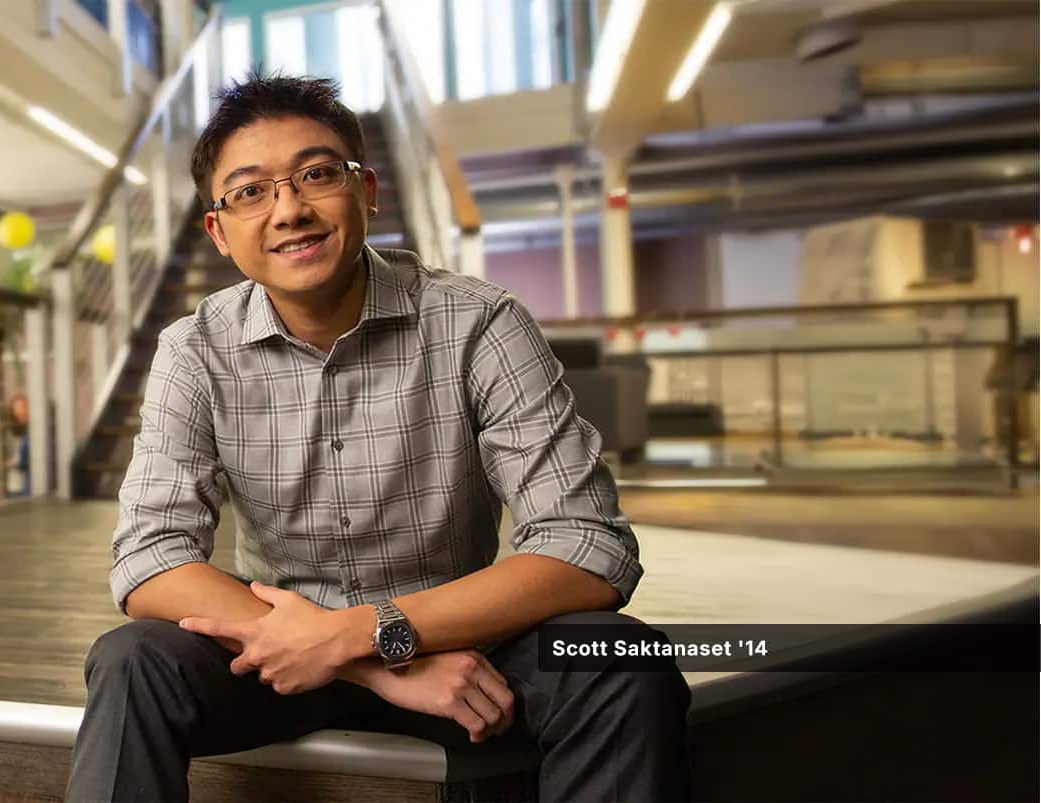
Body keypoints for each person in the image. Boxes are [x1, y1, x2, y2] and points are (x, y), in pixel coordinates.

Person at [66, 74, 690, 803]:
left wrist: (371, 632)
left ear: (366, 192)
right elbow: (149, 557)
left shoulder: (478, 322)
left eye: (316, 175)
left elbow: (588, 543)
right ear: (219, 232)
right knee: (132, 660)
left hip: (462, 649)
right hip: (278, 653)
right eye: (251, 191)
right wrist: (364, 659)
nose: (289, 210)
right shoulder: (193, 349)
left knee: (620, 659)